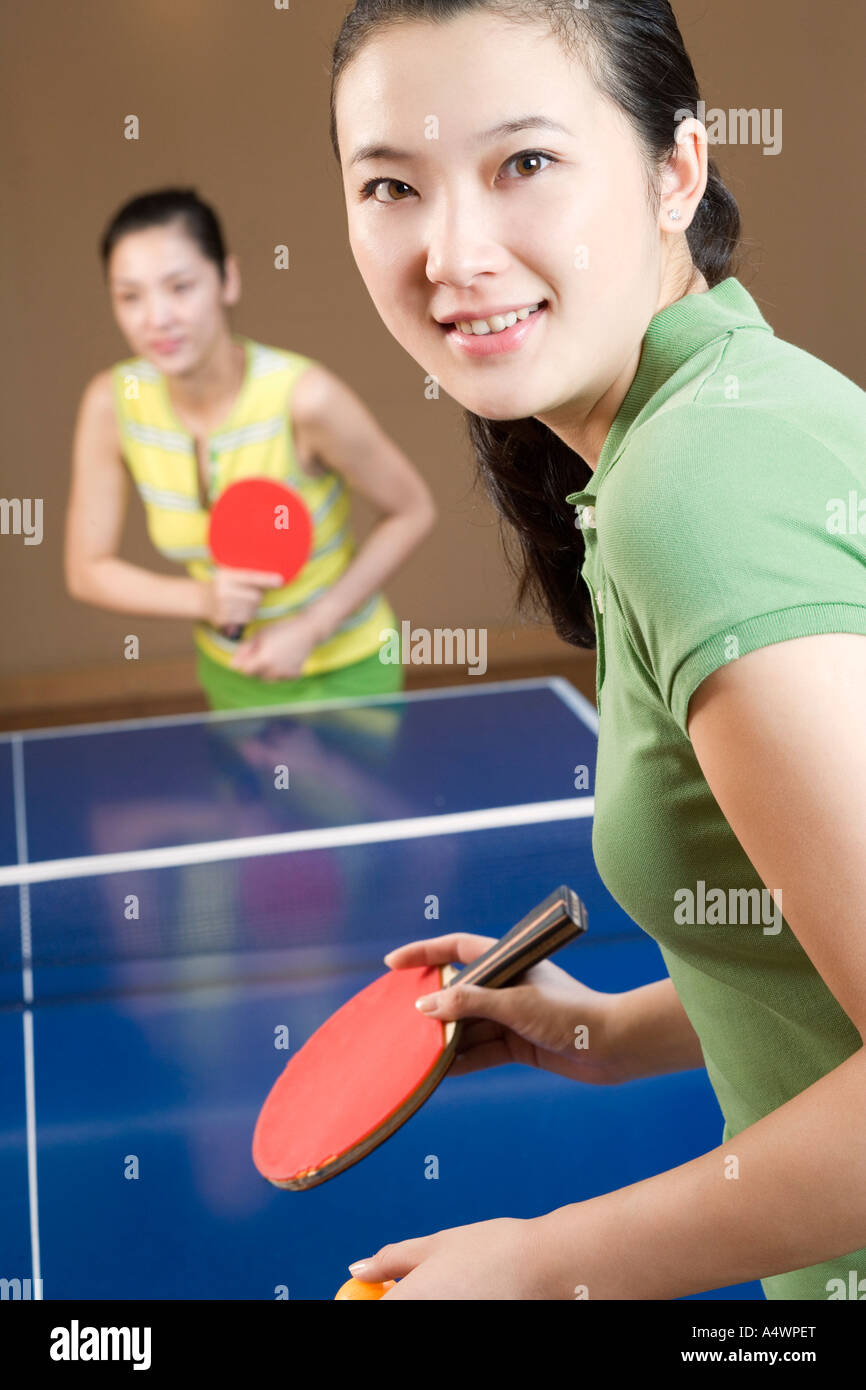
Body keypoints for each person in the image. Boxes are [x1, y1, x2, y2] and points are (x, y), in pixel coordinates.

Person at [328, 0, 866, 1300]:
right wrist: (601, 1028)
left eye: (522, 162)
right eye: (392, 184)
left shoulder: (691, 490)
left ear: (674, 170)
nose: (452, 254)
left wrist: (539, 1267)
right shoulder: (742, 405)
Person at [65, 188, 436, 709]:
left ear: (227, 280)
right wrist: (204, 599)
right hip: (231, 669)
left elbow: (412, 510)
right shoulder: (113, 403)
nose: (157, 318)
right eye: (130, 296)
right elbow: (88, 569)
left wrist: (310, 628)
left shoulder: (305, 399)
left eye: (180, 287)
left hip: (345, 667)